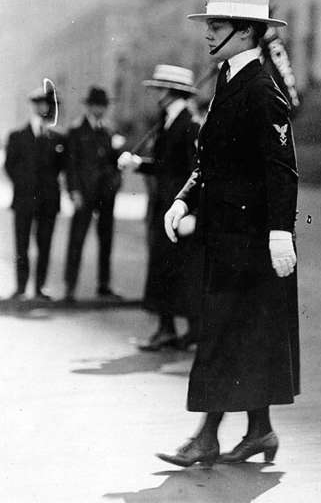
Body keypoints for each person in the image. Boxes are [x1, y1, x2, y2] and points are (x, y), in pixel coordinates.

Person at [160, 0, 299, 466]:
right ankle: (260, 431)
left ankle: (206, 438)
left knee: (221, 334)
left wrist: (280, 231)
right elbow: (212, 158)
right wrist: (182, 198)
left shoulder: (262, 90)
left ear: (246, 33)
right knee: (246, 334)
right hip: (226, 238)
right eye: (208, 24)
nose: (207, 32)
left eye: (216, 26)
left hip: (253, 241)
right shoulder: (229, 78)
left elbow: (281, 167)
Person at [118, 65, 201, 351]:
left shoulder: (191, 124)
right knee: (164, 269)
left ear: (170, 92)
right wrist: (139, 164)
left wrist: (192, 212)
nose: (156, 94)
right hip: (163, 208)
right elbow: (166, 166)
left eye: (159, 89)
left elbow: (197, 171)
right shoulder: (168, 121)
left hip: (178, 211)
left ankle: (192, 332)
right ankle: (168, 329)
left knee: (184, 271)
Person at [5, 86, 65, 300]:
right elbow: (10, 166)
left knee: (44, 244)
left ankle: (40, 287)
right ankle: (21, 288)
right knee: (22, 245)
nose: (43, 107)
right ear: (33, 105)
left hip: (48, 200)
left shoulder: (57, 138)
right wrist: (24, 185)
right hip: (24, 199)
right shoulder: (17, 136)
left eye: (47, 104)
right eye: (39, 103)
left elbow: (61, 167)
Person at [64, 86, 123, 302]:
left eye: (103, 106)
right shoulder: (76, 130)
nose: (100, 110)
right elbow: (70, 165)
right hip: (85, 192)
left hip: (106, 194)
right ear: (89, 106)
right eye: (96, 105)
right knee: (77, 239)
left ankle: (104, 285)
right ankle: (70, 287)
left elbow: (115, 163)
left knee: (106, 239)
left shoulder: (109, 131)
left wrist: (116, 181)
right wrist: (74, 191)